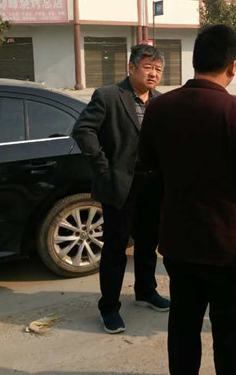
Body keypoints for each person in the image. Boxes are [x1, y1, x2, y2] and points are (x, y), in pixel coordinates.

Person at [138, 25, 236, 375]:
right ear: (232, 66)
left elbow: (148, 163)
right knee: (230, 332)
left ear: (194, 61)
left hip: (180, 241)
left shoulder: (160, 108)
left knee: (183, 326)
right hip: (232, 245)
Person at [71, 44, 170, 335]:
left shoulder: (160, 102)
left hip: (153, 184)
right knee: (115, 247)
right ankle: (109, 307)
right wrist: (103, 168)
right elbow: (83, 130)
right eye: (148, 67)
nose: (153, 74)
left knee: (148, 242)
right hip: (120, 184)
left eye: (158, 70)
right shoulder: (108, 96)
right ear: (131, 67)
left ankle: (146, 291)